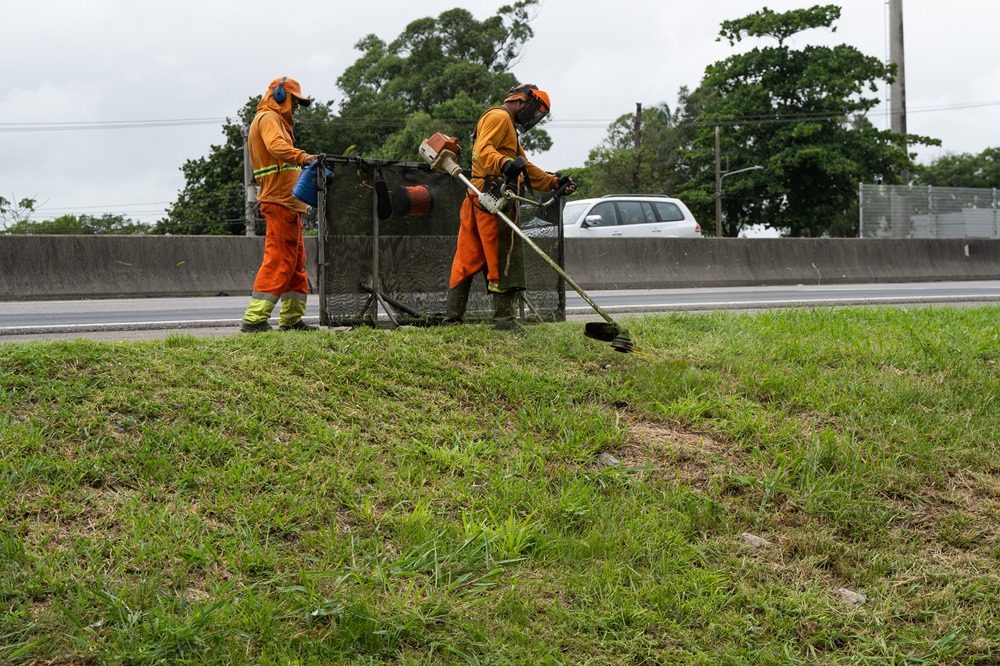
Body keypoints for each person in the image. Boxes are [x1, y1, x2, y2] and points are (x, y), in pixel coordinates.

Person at [445, 83, 576, 330]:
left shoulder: (507, 126)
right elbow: (483, 152)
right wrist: (504, 165)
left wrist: (553, 182)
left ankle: (452, 318)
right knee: (502, 254)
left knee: (467, 256)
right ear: (521, 100)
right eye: (535, 110)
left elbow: (524, 167)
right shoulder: (499, 117)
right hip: (493, 199)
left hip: (477, 197)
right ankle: (504, 319)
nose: (534, 117)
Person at [240, 76, 319, 333]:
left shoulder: (276, 121)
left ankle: (292, 320)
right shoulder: (268, 118)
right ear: (281, 95)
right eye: (294, 101)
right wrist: (303, 157)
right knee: (279, 260)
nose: (295, 107)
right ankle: (254, 320)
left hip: (290, 204)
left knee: (296, 264)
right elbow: (276, 148)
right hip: (279, 203)